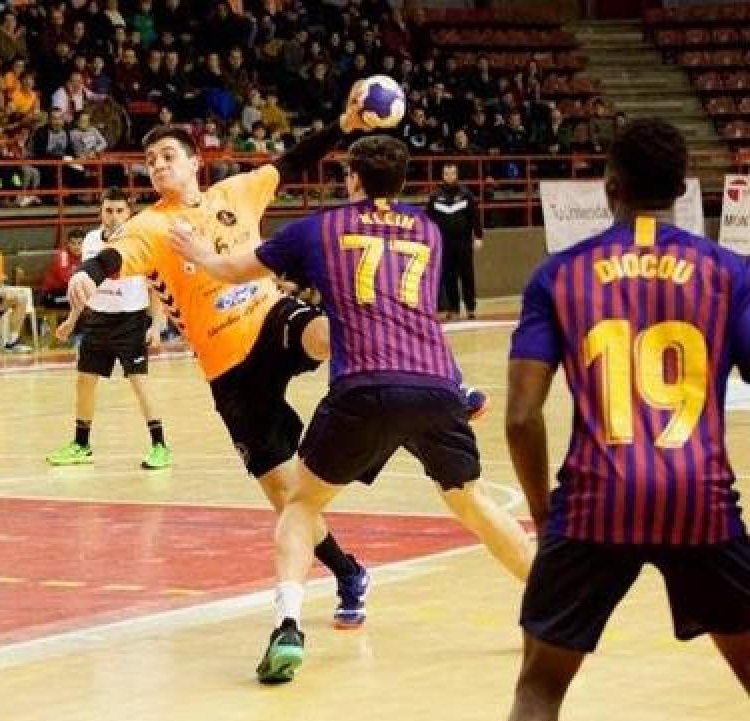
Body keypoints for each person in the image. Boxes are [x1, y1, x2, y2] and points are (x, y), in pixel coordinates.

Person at [170, 134, 533, 685]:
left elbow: (234, 271)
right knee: (473, 503)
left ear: (352, 180)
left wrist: (201, 255)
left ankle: (288, 626)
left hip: (364, 387)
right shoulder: (431, 231)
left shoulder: (320, 228)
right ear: (404, 182)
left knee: (300, 504)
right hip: (435, 384)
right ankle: (552, 613)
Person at [66, 90, 375, 633]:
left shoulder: (236, 191)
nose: (158, 165)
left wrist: (343, 125)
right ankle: (348, 572)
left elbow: (295, 160)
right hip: (228, 370)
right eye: (151, 161)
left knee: (325, 334)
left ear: (194, 162)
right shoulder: (151, 226)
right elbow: (115, 256)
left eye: (168, 156)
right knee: (285, 496)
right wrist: (89, 271)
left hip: (270, 318)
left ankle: (409, 383)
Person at [500, 118, 750, 721]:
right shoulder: (731, 273)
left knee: (538, 692)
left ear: (609, 185)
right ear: (682, 190)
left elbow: (522, 417)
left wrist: (545, 513)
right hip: (700, 503)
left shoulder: (558, 276)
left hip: (593, 502)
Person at [47, 189, 172, 470]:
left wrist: (156, 324)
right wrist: (72, 319)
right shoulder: (91, 240)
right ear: (101, 212)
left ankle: (160, 445)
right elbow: (84, 286)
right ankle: (81, 444)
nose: (113, 216)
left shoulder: (138, 242)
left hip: (131, 322)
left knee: (139, 384)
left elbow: (156, 285)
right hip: (98, 321)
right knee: (84, 382)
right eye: (108, 211)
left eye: (119, 211)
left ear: (129, 213)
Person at [426, 162, 483, 321]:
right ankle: (454, 308)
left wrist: (478, 237)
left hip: (464, 241)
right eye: (446, 173)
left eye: (452, 173)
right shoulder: (435, 196)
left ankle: (471, 308)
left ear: (456, 175)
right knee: (449, 276)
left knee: (467, 275)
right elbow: (429, 221)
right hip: (444, 243)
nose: (449, 176)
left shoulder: (466, 194)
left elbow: (475, 217)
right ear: (443, 175)